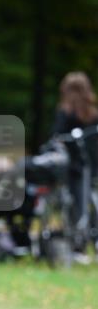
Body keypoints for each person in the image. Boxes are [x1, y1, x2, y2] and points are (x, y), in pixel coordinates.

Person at [51, 71, 98, 261]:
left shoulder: (65, 112)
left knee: (78, 204)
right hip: (91, 164)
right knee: (87, 202)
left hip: (73, 167)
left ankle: (78, 245)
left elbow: (56, 137)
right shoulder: (93, 114)